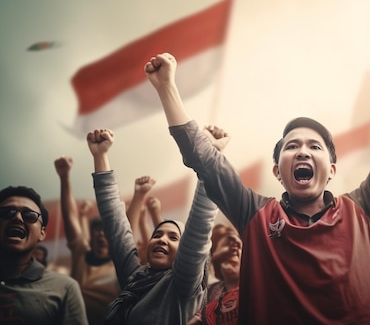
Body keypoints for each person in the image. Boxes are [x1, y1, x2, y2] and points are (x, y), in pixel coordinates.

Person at [146, 42, 370, 324]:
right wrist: (167, 88)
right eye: (292, 146)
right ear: (278, 172)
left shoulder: (359, 209)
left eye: (314, 146)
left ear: (331, 170)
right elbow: (206, 162)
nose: (302, 150)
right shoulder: (255, 215)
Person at [86, 128, 221, 324]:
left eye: (173, 237)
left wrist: (211, 157)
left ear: (185, 251)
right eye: (157, 235)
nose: (162, 239)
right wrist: (100, 156)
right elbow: (116, 229)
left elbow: (200, 224)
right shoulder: (136, 279)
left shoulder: (183, 284)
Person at [0, 185, 88, 324]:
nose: (17, 218)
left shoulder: (65, 288)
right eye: (7, 212)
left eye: (29, 215)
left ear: (42, 233)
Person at [54, 156, 120, 324]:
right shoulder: (81, 255)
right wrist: (64, 177)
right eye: (97, 230)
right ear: (91, 236)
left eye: (106, 231)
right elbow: (70, 218)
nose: (101, 235)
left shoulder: (120, 265)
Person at [188, 224, 243, 325]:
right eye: (227, 244)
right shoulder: (210, 292)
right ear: (213, 256)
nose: (235, 246)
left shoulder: (256, 281)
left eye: (239, 247)